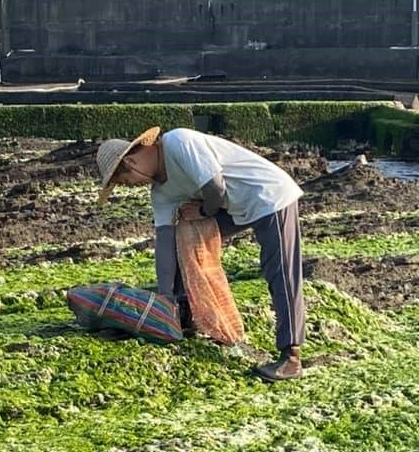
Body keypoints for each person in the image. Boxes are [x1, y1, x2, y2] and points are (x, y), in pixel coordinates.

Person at [96, 126, 306, 381]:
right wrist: (165, 298)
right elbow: (164, 241)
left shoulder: (178, 142)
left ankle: (290, 356)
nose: (132, 186)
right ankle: (185, 313)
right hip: (236, 206)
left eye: (126, 182)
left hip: (269, 195)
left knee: (280, 271)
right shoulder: (162, 193)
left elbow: (215, 187)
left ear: (130, 161)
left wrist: (206, 213)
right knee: (181, 233)